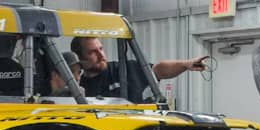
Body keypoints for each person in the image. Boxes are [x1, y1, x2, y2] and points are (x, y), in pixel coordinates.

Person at [70, 36, 208, 102]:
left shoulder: (126, 69)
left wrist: (185, 64)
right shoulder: (77, 88)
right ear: (79, 57)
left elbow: (158, 70)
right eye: (92, 52)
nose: (101, 55)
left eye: (101, 48)